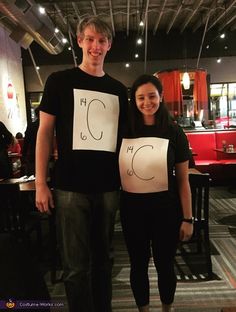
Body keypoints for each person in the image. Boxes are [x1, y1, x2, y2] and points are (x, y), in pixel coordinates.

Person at [35, 16, 128, 312]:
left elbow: (125, 140)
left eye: (101, 41)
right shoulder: (59, 82)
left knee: (103, 262)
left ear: (109, 45)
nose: (95, 46)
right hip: (70, 187)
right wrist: (40, 183)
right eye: (90, 39)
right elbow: (45, 133)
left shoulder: (117, 90)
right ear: (79, 41)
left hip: (108, 187)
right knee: (75, 267)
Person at [118, 75, 193, 312]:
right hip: (132, 210)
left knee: (165, 265)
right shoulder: (124, 130)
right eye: (140, 97)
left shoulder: (174, 132)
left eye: (152, 96)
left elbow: (183, 180)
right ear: (134, 100)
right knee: (137, 265)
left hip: (166, 210)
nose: (146, 102)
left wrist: (188, 218)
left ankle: (166, 309)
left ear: (161, 97)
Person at [22, 107, 39, 175]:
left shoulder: (31, 126)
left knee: (33, 172)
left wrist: (24, 154)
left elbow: (26, 141)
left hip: (33, 151)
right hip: (45, 152)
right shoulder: (48, 126)